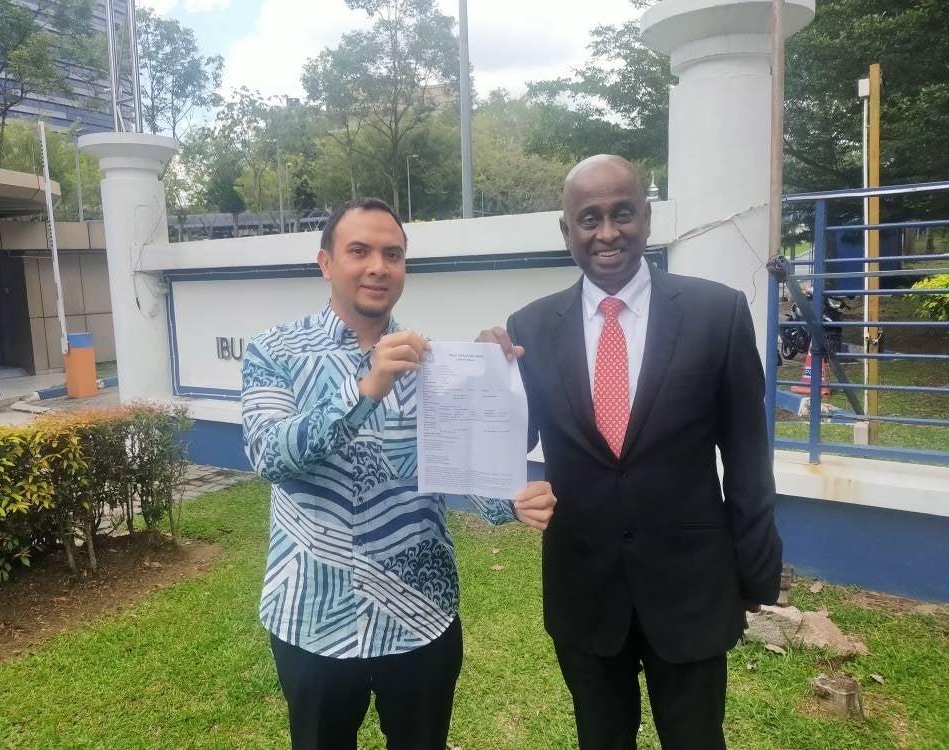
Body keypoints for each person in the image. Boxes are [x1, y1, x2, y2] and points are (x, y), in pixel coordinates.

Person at [479, 155, 783, 750]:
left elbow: (748, 457)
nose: (607, 232)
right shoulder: (531, 327)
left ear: (647, 217)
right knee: (601, 738)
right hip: (584, 592)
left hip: (692, 587)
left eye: (623, 213)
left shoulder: (715, 314)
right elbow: (510, 446)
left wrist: (752, 575)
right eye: (588, 219)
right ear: (566, 232)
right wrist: (489, 381)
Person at [240, 197, 556, 750]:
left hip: (419, 614)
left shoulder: (431, 363)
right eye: (358, 251)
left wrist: (511, 501)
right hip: (313, 614)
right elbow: (270, 456)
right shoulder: (275, 352)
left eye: (393, 254)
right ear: (325, 263)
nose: (377, 267)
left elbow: (451, 473)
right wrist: (366, 391)